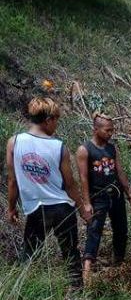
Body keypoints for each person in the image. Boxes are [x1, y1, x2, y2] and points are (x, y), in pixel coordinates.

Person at [6, 97, 91, 288]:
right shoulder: (58, 147)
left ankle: (22, 290)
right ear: (48, 120)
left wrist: (11, 208)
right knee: (70, 253)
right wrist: (83, 210)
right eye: (56, 120)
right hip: (61, 208)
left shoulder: (14, 142)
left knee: (29, 253)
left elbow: (12, 181)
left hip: (35, 208)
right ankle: (77, 292)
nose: (56, 125)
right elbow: (70, 184)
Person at [76, 113, 131, 279]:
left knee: (121, 229)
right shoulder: (84, 150)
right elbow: (83, 178)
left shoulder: (111, 148)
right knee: (94, 230)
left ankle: (119, 264)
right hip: (98, 196)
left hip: (115, 195)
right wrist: (86, 203)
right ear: (96, 129)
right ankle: (87, 272)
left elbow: (120, 171)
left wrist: (129, 195)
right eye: (107, 130)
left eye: (112, 130)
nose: (110, 133)